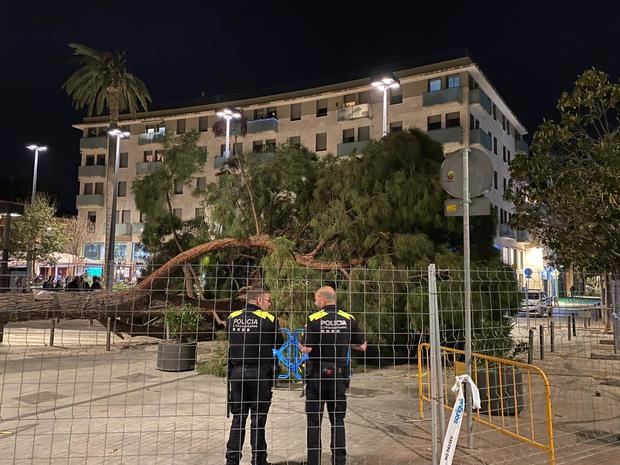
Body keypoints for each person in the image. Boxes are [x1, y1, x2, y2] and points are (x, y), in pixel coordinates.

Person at [302, 286, 367, 465]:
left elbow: (306, 348)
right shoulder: (349, 319)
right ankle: (339, 460)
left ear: (323, 300)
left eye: (316, 299)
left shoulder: (313, 319)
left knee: (314, 421)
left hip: (316, 375)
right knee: (338, 420)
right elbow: (362, 346)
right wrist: (346, 343)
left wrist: (304, 341)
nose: (315, 303)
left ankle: (313, 461)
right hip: (338, 376)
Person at [226, 287, 281, 465]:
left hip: (237, 374)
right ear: (259, 301)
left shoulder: (232, 318)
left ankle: (232, 460)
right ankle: (259, 460)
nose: (269, 304)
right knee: (258, 420)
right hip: (259, 375)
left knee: (238, 419)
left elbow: (230, 339)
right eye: (268, 301)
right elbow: (279, 342)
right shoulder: (269, 320)